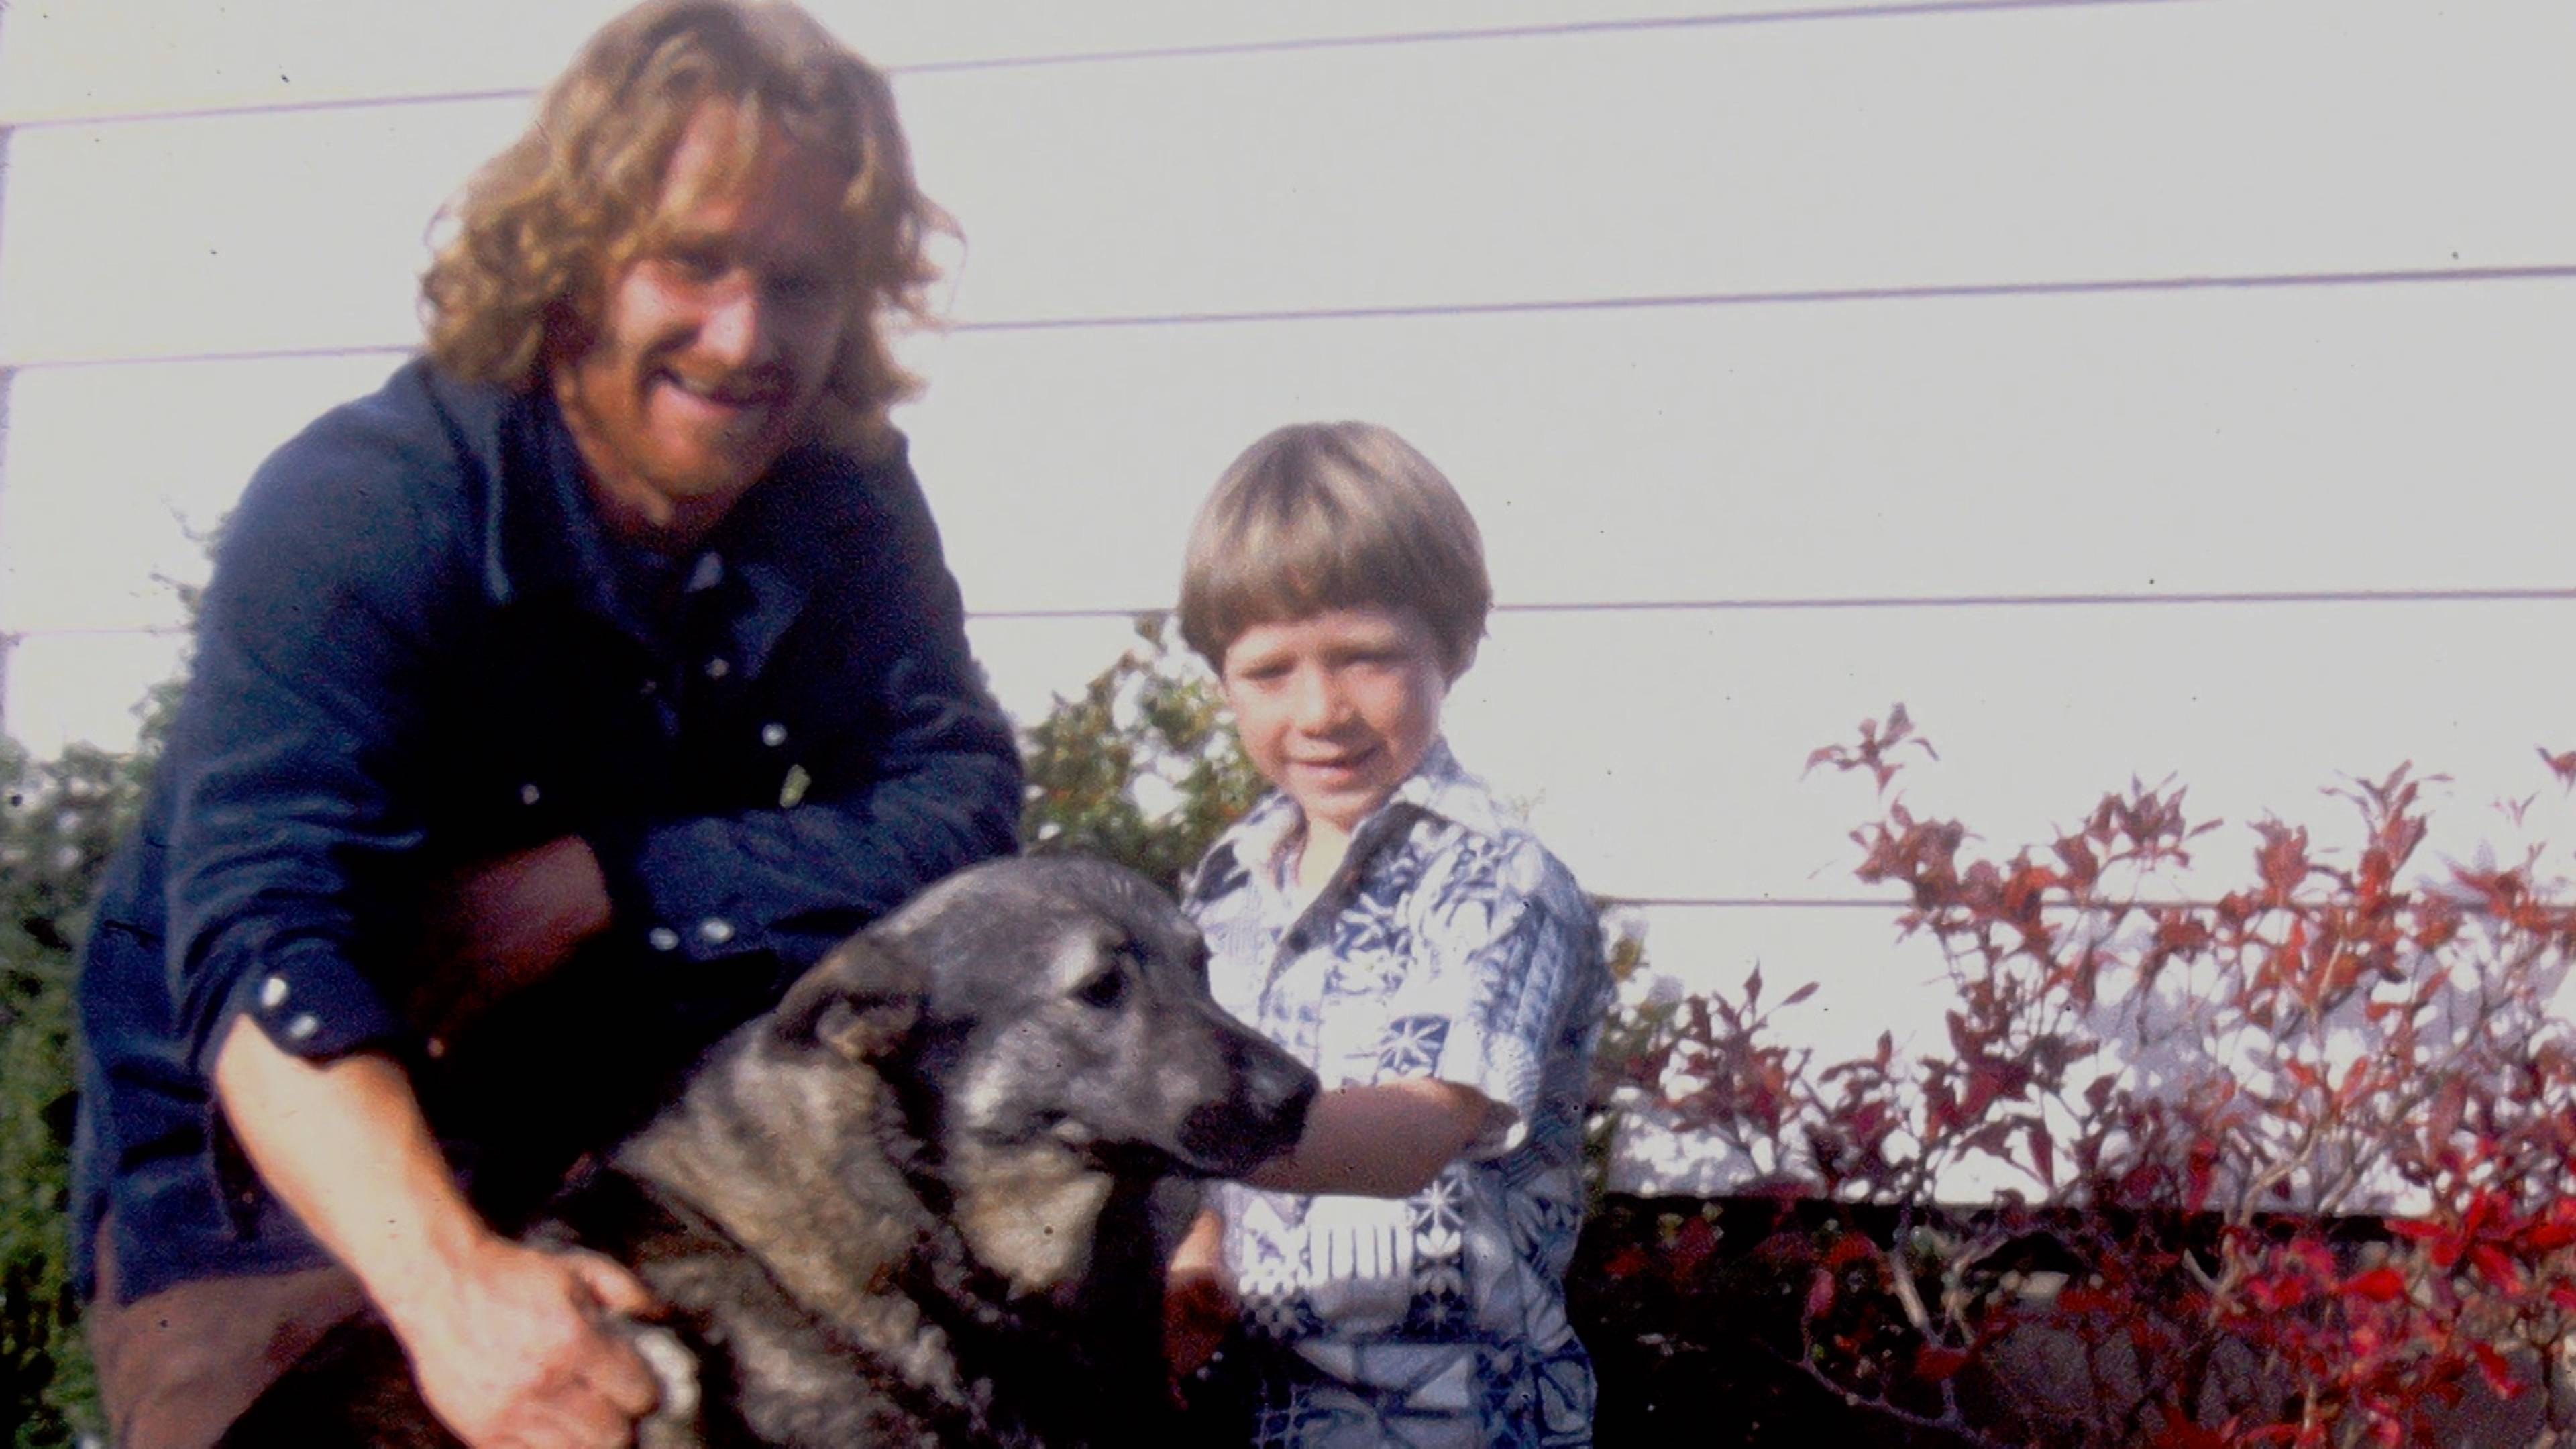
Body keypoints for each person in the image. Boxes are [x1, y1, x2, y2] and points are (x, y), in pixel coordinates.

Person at [67, 3, 1022, 1445]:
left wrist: (615, 881)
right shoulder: (364, 507)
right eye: (692, 261)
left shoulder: (844, 494)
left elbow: (959, 810)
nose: (746, 338)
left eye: (803, 283)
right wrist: (455, 1301)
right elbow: (268, 959)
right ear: (573, 254)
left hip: (637, 1122)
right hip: (283, 1174)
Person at [1164, 423, 1613, 1448]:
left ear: (1450, 646)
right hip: (1259, 1414)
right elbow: (1214, 1176)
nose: (1321, 709)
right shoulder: (1222, 897)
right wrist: (1197, 1252)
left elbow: (1416, 1132)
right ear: (1220, 679)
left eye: (1366, 658)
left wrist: (1169, 1128)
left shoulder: (1504, 882)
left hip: (1456, 1423)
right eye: (1271, 671)